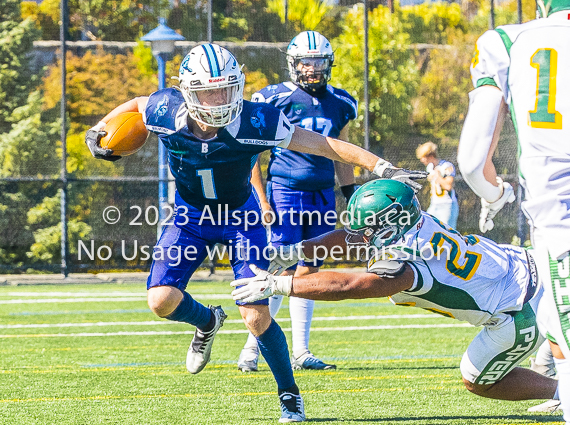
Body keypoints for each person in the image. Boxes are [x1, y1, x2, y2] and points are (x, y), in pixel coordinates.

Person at [85, 44, 426, 423]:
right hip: (189, 215)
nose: (218, 100)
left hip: (240, 218)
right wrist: (100, 128)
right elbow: (136, 103)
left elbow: (325, 145)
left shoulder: (257, 120)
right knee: (160, 301)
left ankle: (289, 394)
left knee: (255, 315)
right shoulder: (165, 109)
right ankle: (207, 321)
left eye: (226, 89)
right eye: (208, 91)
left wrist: (382, 167)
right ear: (186, 91)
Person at [231, 179, 560, 405]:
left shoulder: (405, 263)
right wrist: (297, 250)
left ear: (388, 226)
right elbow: (350, 237)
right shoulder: (417, 221)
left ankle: (561, 393)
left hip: (516, 311)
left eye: (368, 228)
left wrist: (278, 285)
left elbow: (348, 285)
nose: (362, 234)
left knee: (476, 380)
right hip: (535, 264)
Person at [455, 0, 570, 425]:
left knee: (563, 345)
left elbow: (470, 161)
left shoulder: (507, 40)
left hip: (560, 223)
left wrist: (495, 194)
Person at [238, 31, 358, 372]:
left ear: (329, 63)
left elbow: (342, 154)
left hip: (322, 194)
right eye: (307, 62)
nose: (313, 69)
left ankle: (302, 351)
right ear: (294, 64)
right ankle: (252, 346)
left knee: (309, 271)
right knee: (277, 267)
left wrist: (349, 196)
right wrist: (262, 199)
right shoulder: (273, 99)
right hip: (285, 192)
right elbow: (253, 154)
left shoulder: (341, 102)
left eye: (319, 62)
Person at [416, 142, 459, 229]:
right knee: (426, 228)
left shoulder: (446, 166)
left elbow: (448, 186)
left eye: (423, 157)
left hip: (447, 205)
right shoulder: (429, 167)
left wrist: (437, 175)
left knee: (447, 233)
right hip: (434, 204)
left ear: (431, 156)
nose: (422, 160)